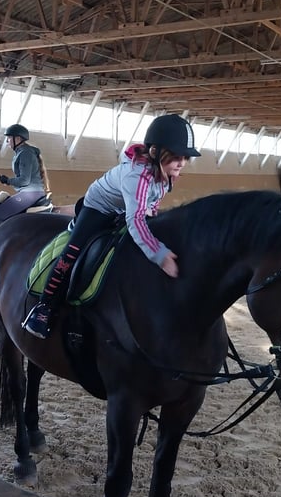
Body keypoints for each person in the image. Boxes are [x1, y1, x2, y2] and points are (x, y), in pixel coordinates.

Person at [22, 114, 201, 339]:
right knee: (73, 252)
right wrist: (159, 254)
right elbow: (135, 220)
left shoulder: (167, 172)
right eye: (175, 156)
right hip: (98, 208)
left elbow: (152, 203)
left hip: (124, 208)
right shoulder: (136, 175)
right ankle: (43, 308)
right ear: (155, 152)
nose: (182, 162)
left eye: (184, 157)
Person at [0, 124, 50, 213]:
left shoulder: (25, 153)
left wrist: (8, 181)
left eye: (9, 138)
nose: (7, 141)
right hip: (30, 192)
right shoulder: (23, 152)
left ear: (17, 139)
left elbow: (24, 180)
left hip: (30, 193)